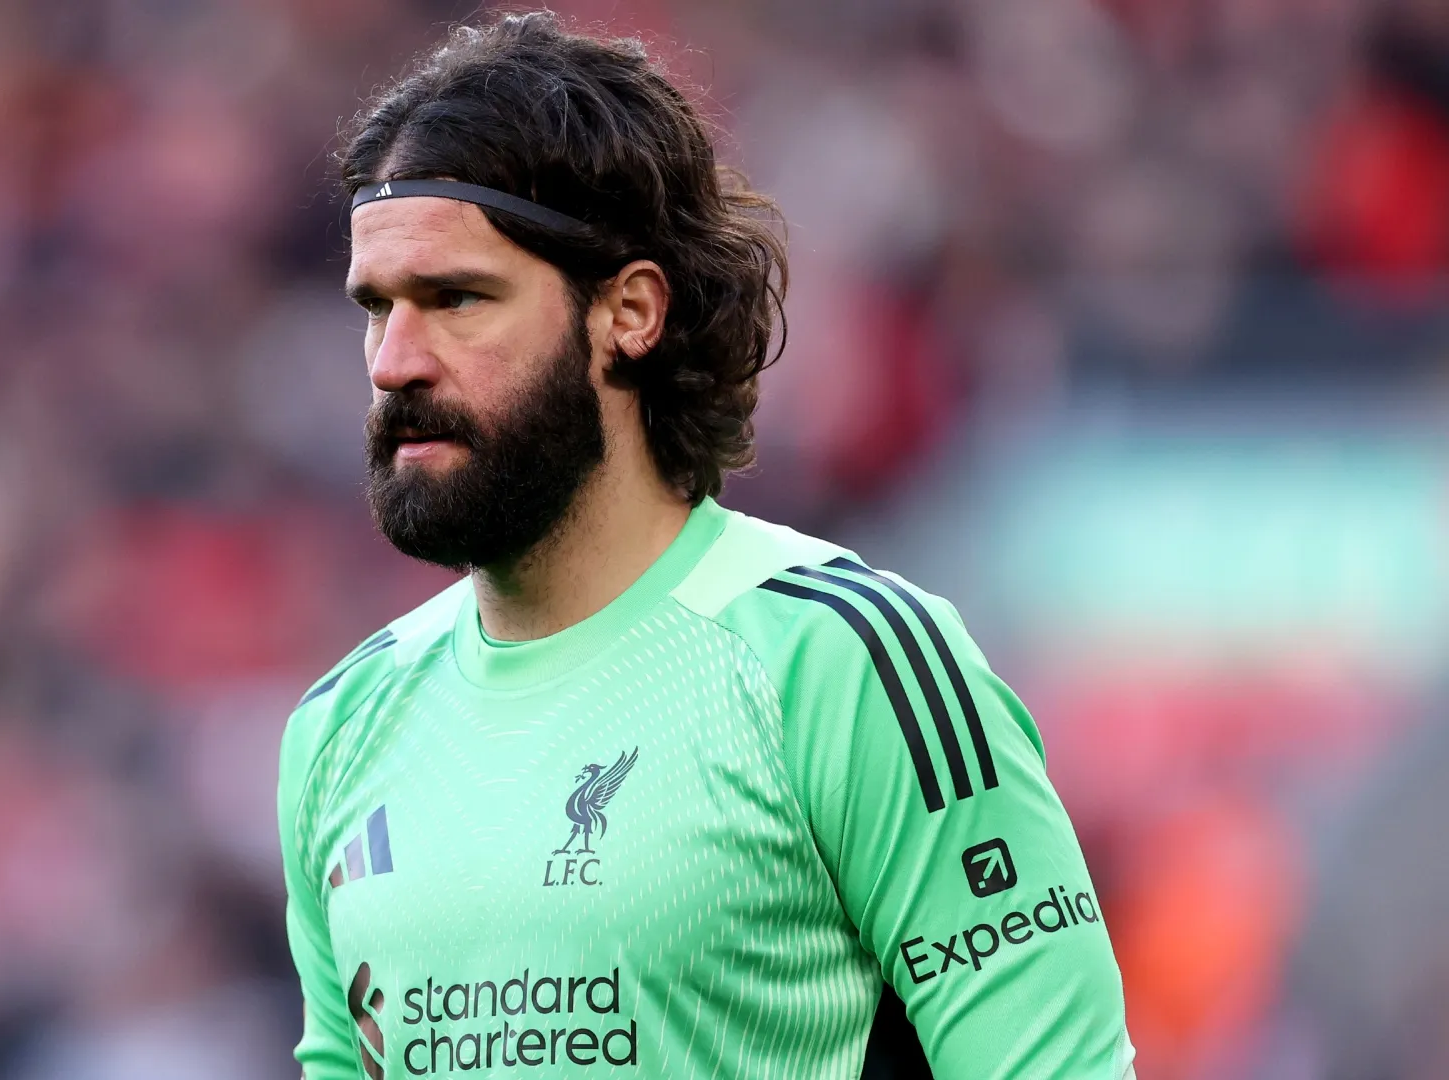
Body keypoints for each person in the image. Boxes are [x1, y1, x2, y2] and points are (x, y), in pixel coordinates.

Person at [276, 12, 1135, 1079]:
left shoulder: (847, 665)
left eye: (456, 299)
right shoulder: (340, 731)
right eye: (377, 308)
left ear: (628, 313)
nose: (394, 360)